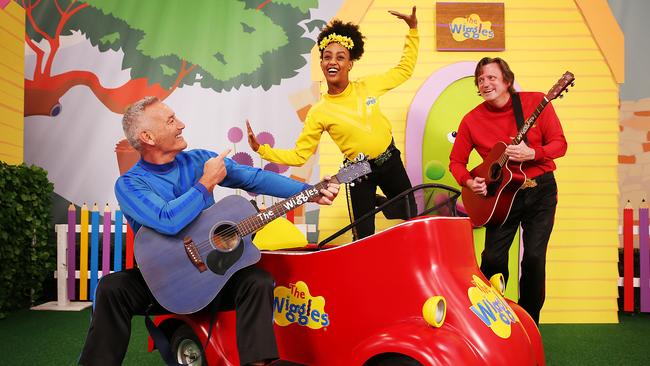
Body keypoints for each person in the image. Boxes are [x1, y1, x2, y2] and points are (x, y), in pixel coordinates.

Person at [78, 96, 339, 366]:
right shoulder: (130, 184)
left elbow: (255, 178)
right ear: (148, 136)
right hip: (163, 286)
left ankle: (258, 364)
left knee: (256, 281)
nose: (181, 124)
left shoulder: (200, 159)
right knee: (112, 287)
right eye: (170, 120)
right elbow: (167, 219)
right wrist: (206, 182)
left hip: (213, 280)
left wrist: (309, 192)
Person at [246, 6, 418, 240]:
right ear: (322, 64)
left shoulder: (368, 86)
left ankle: (383, 204)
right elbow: (300, 156)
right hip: (358, 170)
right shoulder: (319, 111)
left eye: (340, 57)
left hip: (389, 158)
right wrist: (261, 150)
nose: (332, 62)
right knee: (364, 234)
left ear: (350, 63)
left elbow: (404, 70)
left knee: (411, 213)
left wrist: (413, 30)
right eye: (327, 57)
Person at [449, 57, 568, 324]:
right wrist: (469, 182)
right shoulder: (471, 120)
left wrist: (533, 153)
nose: (485, 83)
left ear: (507, 81)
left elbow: (560, 145)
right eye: (480, 79)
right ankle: (495, 318)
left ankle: (529, 321)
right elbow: (456, 162)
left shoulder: (537, 102)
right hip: (500, 197)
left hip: (540, 192)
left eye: (491, 77)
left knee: (534, 257)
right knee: (492, 258)